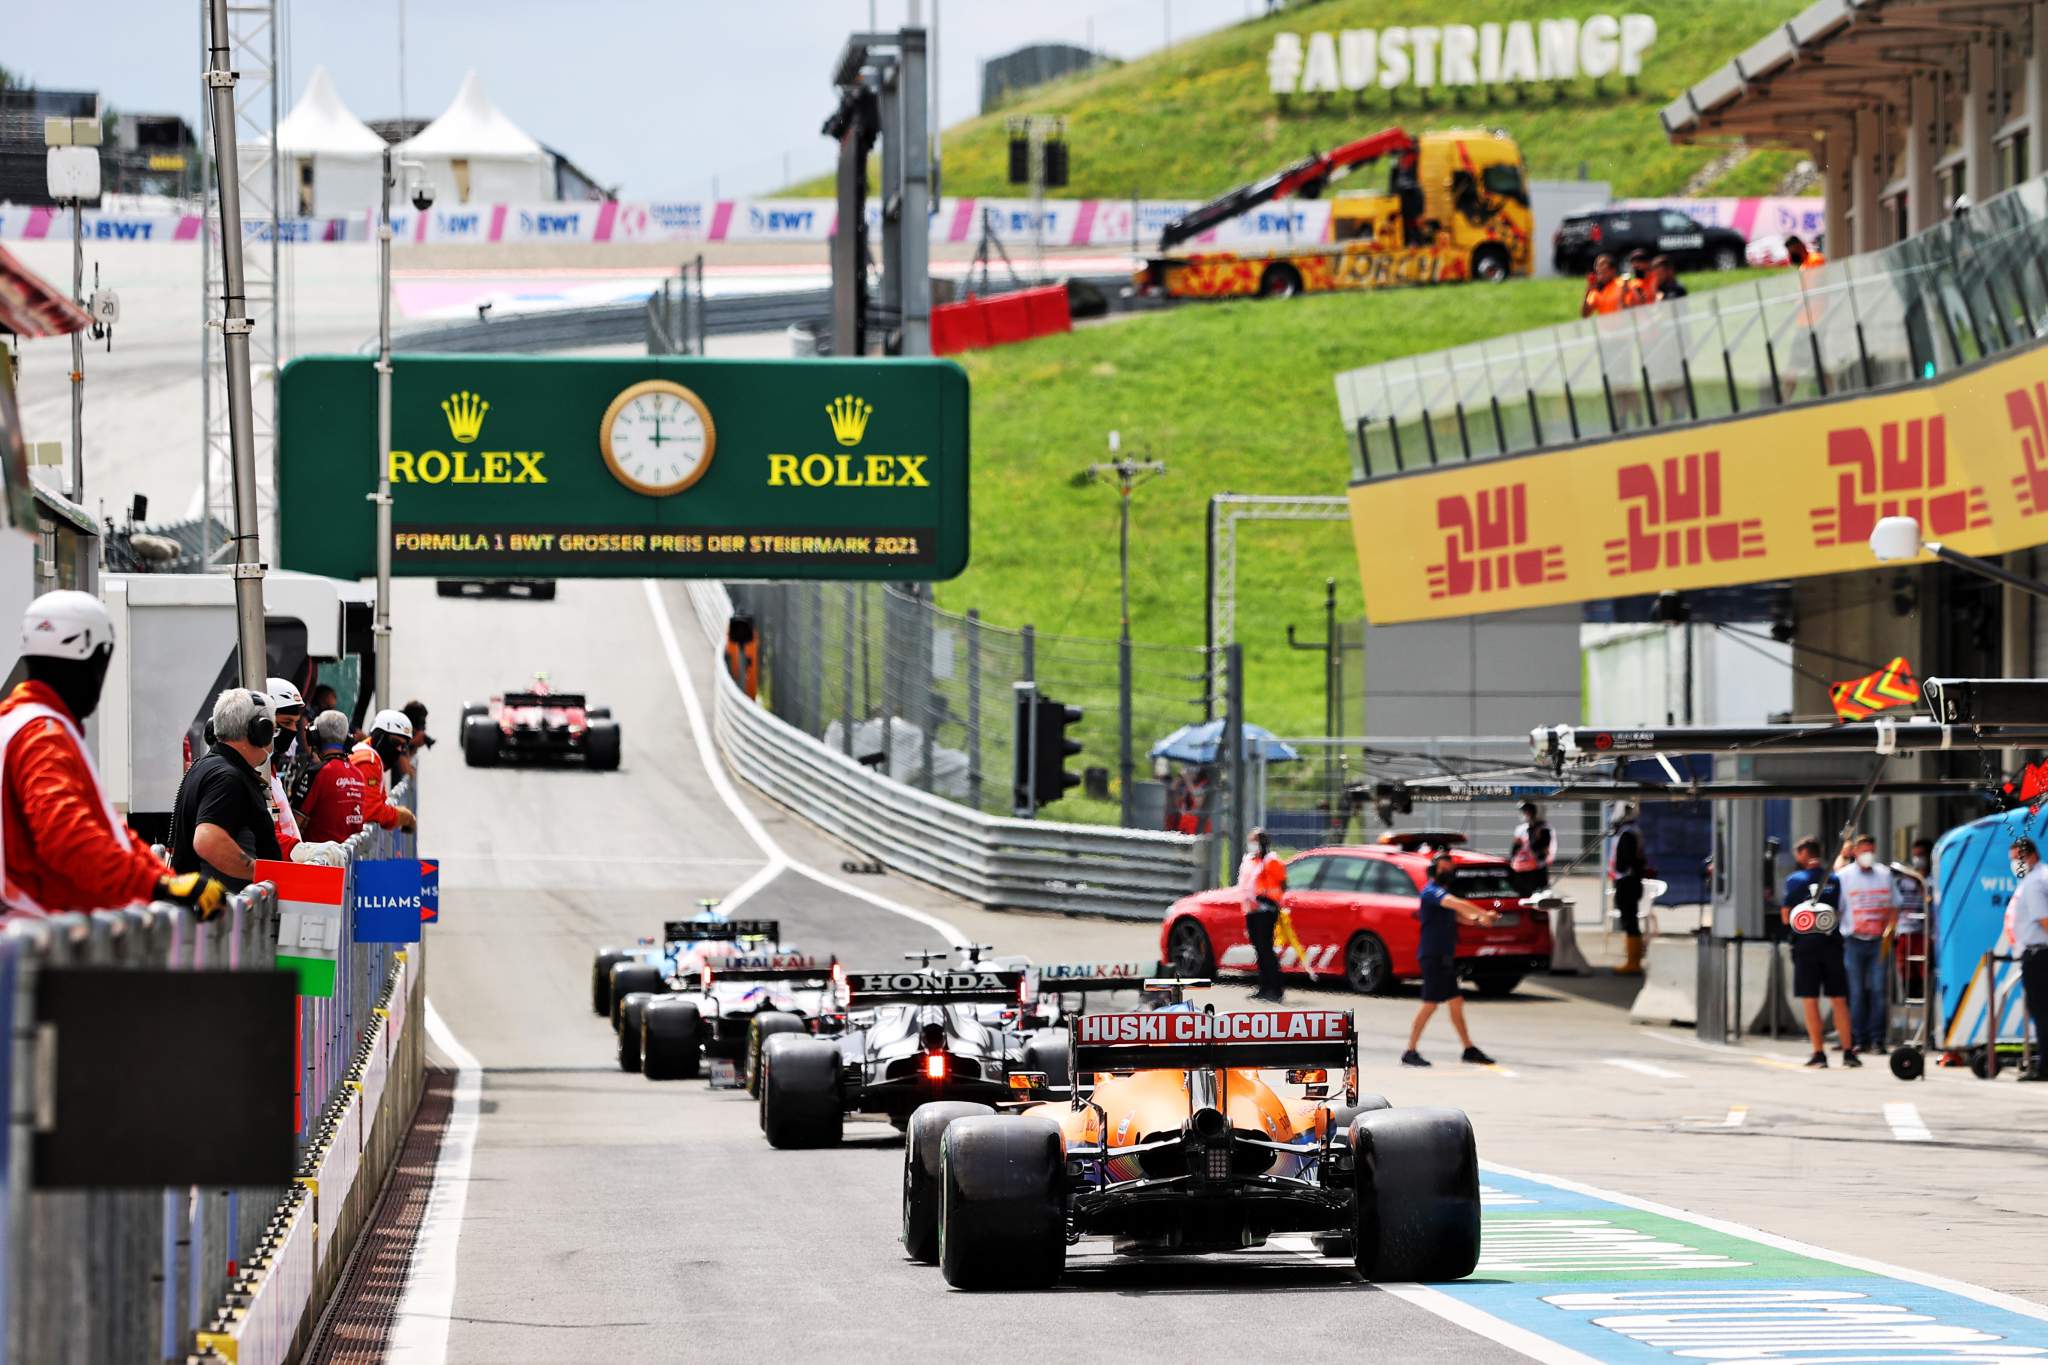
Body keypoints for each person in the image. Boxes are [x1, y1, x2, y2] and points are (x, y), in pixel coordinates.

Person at [2, 592, 227, 920]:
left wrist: (167, 880)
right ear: (93, 660)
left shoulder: (16, 722)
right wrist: (158, 885)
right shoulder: (44, 736)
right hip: (43, 936)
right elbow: (69, 837)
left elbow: (108, 833)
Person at [171, 689, 285, 892]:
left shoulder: (211, 767)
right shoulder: (228, 778)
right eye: (272, 731)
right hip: (228, 914)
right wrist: (261, 873)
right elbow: (208, 840)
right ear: (260, 732)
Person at [1403, 848, 1500, 1067]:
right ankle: (1409, 1051)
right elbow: (1456, 904)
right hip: (1433, 956)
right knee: (1430, 1004)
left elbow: (1457, 915)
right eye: (1443, 868)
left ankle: (1468, 1049)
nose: (1447, 871)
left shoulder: (1442, 895)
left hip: (1444, 957)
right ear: (1434, 871)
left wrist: (1477, 920)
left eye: (1450, 868)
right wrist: (1483, 913)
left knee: (1456, 1002)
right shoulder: (1431, 892)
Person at [1783, 837, 1856, 1067]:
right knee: (1839, 999)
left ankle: (1819, 1053)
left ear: (1804, 853)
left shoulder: (1795, 880)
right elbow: (1841, 911)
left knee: (1810, 1000)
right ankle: (1848, 1052)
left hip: (1806, 945)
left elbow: (1786, 916)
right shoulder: (1835, 879)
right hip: (1832, 943)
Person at [1832, 832, 1895, 1058]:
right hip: (1853, 941)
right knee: (1856, 992)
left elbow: (1894, 905)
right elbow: (1837, 909)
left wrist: (1890, 932)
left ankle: (1877, 1039)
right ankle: (1858, 1039)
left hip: (1879, 941)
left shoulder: (1885, 875)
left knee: (1878, 991)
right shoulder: (1844, 876)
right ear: (1855, 851)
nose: (1867, 854)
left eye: (1870, 850)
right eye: (1863, 850)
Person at [2006, 837, 2048, 1082]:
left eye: (2017, 859)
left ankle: (2045, 1066)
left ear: (2030, 855)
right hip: (2039, 953)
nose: (2015, 864)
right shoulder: (2040, 876)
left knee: (2042, 1012)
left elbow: (2044, 919)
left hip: (2039, 955)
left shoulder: (2033, 883)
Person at [298, 709, 366, 844]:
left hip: (318, 860)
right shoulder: (359, 775)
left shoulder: (317, 773)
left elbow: (294, 823)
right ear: (348, 740)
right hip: (349, 860)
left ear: (314, 737)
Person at [1236, 827, 1287, 1003]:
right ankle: (1264, 987)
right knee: (1259, 950)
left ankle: (1276, 989)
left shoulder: (1271, 861)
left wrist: (1266, 898)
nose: (1251, 844)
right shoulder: (1250, 860)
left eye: (1254, 841)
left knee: (1266, 950)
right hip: (1252, 910)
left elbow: (1280, 886)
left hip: (1266, 910)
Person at [351, 709, 418, 833]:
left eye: (403, 747)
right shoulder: (368, 761)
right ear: (379, 736)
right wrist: (404, 817)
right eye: (395, 742)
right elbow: (371, 811)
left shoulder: (368, 755)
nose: (398, 749)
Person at [1610, 801, 1648, 976]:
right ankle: (1632, 960)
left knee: (1629, 920)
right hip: (1630, 881)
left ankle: (1633, 962)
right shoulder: (1631, 831)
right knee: (1629, 920)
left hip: (1627, 882)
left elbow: (1622, 862)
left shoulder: (1627, 834)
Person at [1894, 837, 1933, 999]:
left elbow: (1930, 901)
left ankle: (1924, 1003)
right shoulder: (1903, 880)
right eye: (1915, 855)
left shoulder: (1932, 880)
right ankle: (1909, 998)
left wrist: (1919, 881)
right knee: (1904, 968)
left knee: (1923, 969)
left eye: (1921, 855)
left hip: (1924, 932)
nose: (1918, 859)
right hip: (1904, 930)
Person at [1508, 801, 1554, 897]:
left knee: (1537, 895)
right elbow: (1515, 848)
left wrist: (1533, 833)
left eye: (1527, 811)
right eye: (1525, 811)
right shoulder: (1521, 829)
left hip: (1536, 869)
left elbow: (1541, 849)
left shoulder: (1543, 829)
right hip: (1521, 869)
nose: (1525, 814)